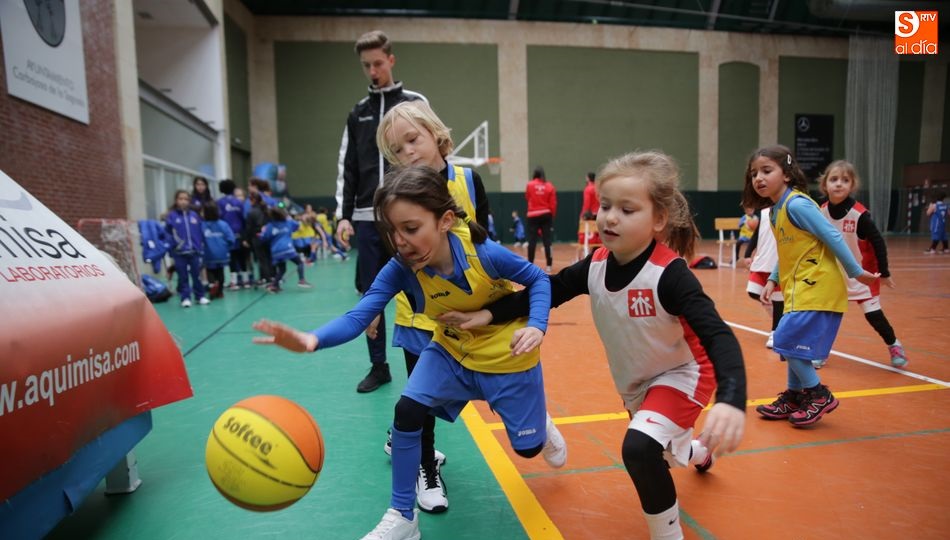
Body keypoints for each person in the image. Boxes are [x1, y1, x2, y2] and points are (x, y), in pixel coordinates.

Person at [440, 151, 746, 540]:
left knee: (639, 449)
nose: (610, 217)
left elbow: (718, 335)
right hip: (639, 383)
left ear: (658, 220)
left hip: (683, 375)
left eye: (627, 209)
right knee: (663, 450)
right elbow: (549, 288)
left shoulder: (670, 276)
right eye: (605, 206)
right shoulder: (596, 264)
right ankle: (701, 452)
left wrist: (732, 398)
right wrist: (490, 314)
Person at [252, 167, 566, 540]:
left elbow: (538, 278)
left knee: (528, 450)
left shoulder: (483, 252)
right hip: (452, 348)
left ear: (445, 220)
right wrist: (311, 340)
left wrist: (536, 324)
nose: (400, 241)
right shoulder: (401, 269)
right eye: (392, 231)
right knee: (407, 410)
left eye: (411, 229)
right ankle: (403, 516)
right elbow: (360, 315)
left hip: (507, 354)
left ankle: (538, 423)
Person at [376, 100, 492, 514]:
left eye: (413, 139)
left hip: (467, 310)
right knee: (420, 398)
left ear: (436, 135)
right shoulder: (396, 193)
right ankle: (426, 467)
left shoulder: (468, 180)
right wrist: (374, 304)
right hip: (418, 311)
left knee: (489, 376)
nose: (407, 152)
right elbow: (389, 254)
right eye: (397, 149)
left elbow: (484, 238)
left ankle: (536, 421)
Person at [743, 146, 878, 426]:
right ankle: (795, 396)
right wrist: (772, 278)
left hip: (817, 285)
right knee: (791, 344)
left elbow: (831, 234)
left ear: (788, 175)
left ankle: (818, 395)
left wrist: (855, 271)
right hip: (798, 288)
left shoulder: (797, 204)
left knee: (783, 340)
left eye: (767, 171)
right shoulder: (775, 211)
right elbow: (786, 249)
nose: (759, 178)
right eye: (754, 173)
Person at [333, 30, 428, 394]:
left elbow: (433, 153)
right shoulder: (358, 114)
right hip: (365, 217)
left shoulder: (415, 103)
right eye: (365, 66)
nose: (372, 71)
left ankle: (427, 365)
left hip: (408, 216)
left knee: (420, 290)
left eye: (377, 63)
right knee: (372, 295)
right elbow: (349, 166)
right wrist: (343, 215)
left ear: (391, 59)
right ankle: (378, 365)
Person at [818, 160, 908, 367]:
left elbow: (878, 242)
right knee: (828, 316)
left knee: (873, 315)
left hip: (862, 275)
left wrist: (884, 272)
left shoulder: (859, 214)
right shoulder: (820, 211)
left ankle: (894, 344)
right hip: (834, 275)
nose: (839, 184)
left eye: (845, 180)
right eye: (834, 179)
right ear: (825, 185)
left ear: (852, 185)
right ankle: (821, 352)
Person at [742, 206, 783, 349]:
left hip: (778, 262)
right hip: (761, 260)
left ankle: (776, 332)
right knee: (753, 292)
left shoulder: (791, 208)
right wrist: (747, 254)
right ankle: (778, 314)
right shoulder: (763, 212)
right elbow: (757, 234)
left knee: (778, 300)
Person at [165, 190, 208, 307]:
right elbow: (168, 234)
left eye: (186, 199)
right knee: (183, 276)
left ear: (189, 201)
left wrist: (200, 247)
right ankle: (185, 298)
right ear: (176, 201)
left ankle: (200, 296)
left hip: (194, 251)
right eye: (180, 199)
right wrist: (172, 249)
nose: (183, 201)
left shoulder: (194, 216)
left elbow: (200, 233)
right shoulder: (172, 216)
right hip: (179, 252)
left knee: (196, 275)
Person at [260, 207, 311, 292]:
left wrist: (262, 232)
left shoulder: (269, 226)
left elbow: (264, 238)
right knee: (299, 263)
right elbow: (297, 226)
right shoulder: (288, 222)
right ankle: (301, 280)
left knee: (282, 269)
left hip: (276, 251)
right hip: (287, 249)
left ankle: (274, 285)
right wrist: (290, 217)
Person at [217, 179, 250, 290]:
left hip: (227, 235)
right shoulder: (239, 202)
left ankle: (234, 282)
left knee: (232, 257)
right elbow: (244, 218)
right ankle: (246, 281)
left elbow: (219, 219)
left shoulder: (220, 203)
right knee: (242, 257)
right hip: (240, 233)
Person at [525, 166, 557, 272]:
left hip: (532, 215)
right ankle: (549, 265)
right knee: (547, 241)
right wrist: (551, 216)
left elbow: (527, 197)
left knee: (532, 241)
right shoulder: (549, 186)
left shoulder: (529, 185)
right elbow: (553, 203)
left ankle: (530, 264)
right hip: (546, 214)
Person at [201, 201, 235, 299]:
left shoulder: (202, 225)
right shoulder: (223, 224)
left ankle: (212, 285)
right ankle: (219, 291)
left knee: (210, 271)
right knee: (220, 271)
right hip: (222, 253)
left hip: (208, 253)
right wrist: (226, 248)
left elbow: (198, 238)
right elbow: (231, 239)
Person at [244, 190, 273, 288]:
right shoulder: (267, 210)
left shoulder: (251, 212)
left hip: (257, 238)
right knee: (268, 257)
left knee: (262, 259)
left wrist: (246, 240)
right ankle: (272, 277)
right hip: (267, 237)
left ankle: (267, 279)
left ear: (253, 200)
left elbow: (249, 228)